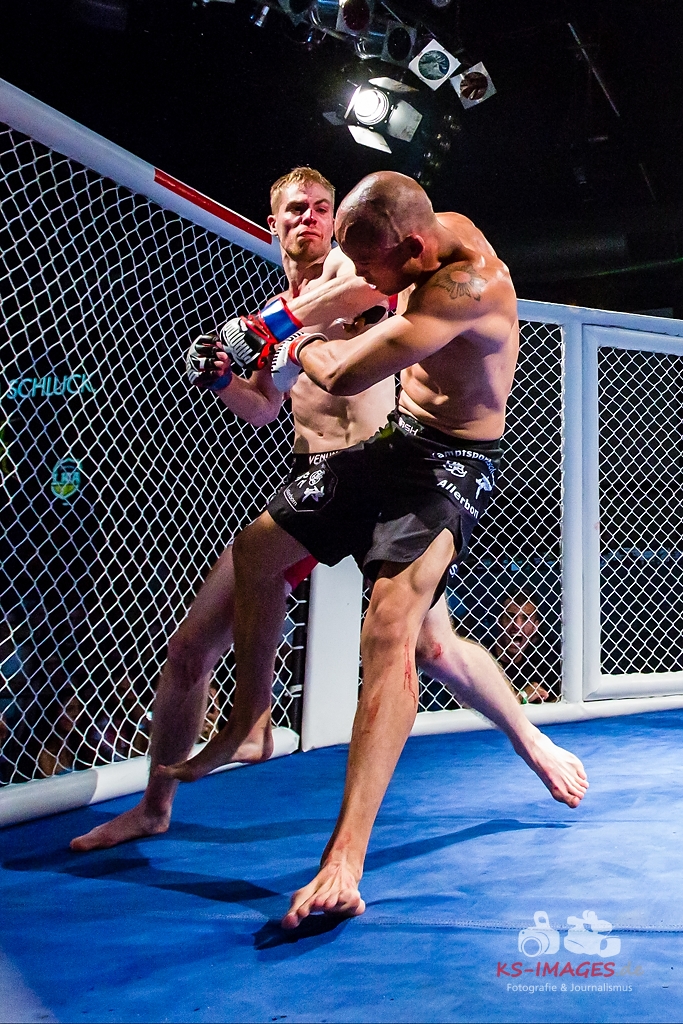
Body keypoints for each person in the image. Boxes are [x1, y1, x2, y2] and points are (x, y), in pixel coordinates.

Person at [71, 167, 582, 860]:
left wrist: (276, 332)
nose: (308, 220)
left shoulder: (363, 274)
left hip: (418, 468)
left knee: (424, 646)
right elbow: (262, 407)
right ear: (273, 223)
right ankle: (171, 792)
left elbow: (346, 332)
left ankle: (527, 740)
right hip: (331, 472)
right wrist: (226, 376)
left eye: (320, 208)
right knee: (199, 636)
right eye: (295, 210)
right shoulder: (302, 295)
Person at [495, 592, 558, 704]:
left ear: (535, 627)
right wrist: (522, 696)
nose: (517, 625)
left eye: (525, 618)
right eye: (510, 616)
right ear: (499, 621)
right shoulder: (482, 657)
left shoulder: (543, 663)